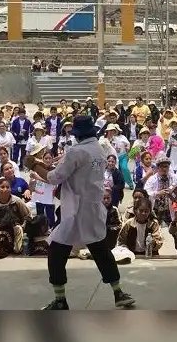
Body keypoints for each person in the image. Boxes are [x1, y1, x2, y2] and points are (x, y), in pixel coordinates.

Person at [27, 116, 136, 310]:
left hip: (75, 211)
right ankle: (118, 292)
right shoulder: (100, 151)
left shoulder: (75, 151)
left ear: (77, 134)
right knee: (101, 252)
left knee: (56, 253)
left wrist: (34, 165)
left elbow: (54, 177)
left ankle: (60, 300)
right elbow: (69, 170)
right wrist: (45, 164)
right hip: (93, 209)